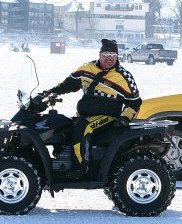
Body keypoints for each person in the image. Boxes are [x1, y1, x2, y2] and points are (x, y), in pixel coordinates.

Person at [45, 39, 142, 178]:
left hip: (108, 116)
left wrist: (124, 118)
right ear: (100, 54)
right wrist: (51, 92)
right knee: (61, 126)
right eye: (106, 54)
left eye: (113, 55)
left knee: (83, 128)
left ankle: (81, 169)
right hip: (84, 114)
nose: (109, 58)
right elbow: (69, 84)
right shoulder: (86, 69)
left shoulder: (124, 77)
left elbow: (135, 102)